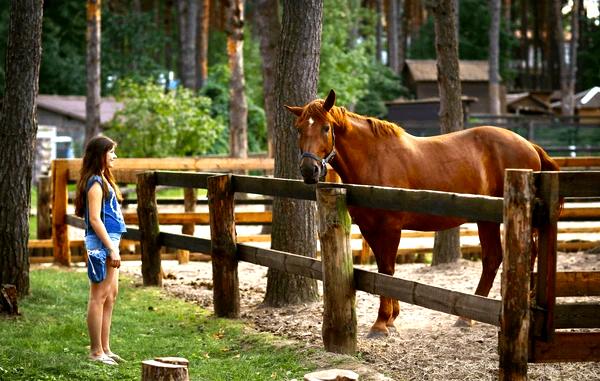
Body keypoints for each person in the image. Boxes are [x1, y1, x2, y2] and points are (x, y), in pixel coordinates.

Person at [74, 135, 127, 365]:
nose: (114, 156)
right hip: (101, 243)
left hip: (110, 240)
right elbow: (95, 219)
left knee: (110, 296)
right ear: (100, 155)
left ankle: (105, 348)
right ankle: (95, 352)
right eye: (111, 152)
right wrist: (111, 248)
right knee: (98, 296)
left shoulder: (103, 179)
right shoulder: (95, 181)